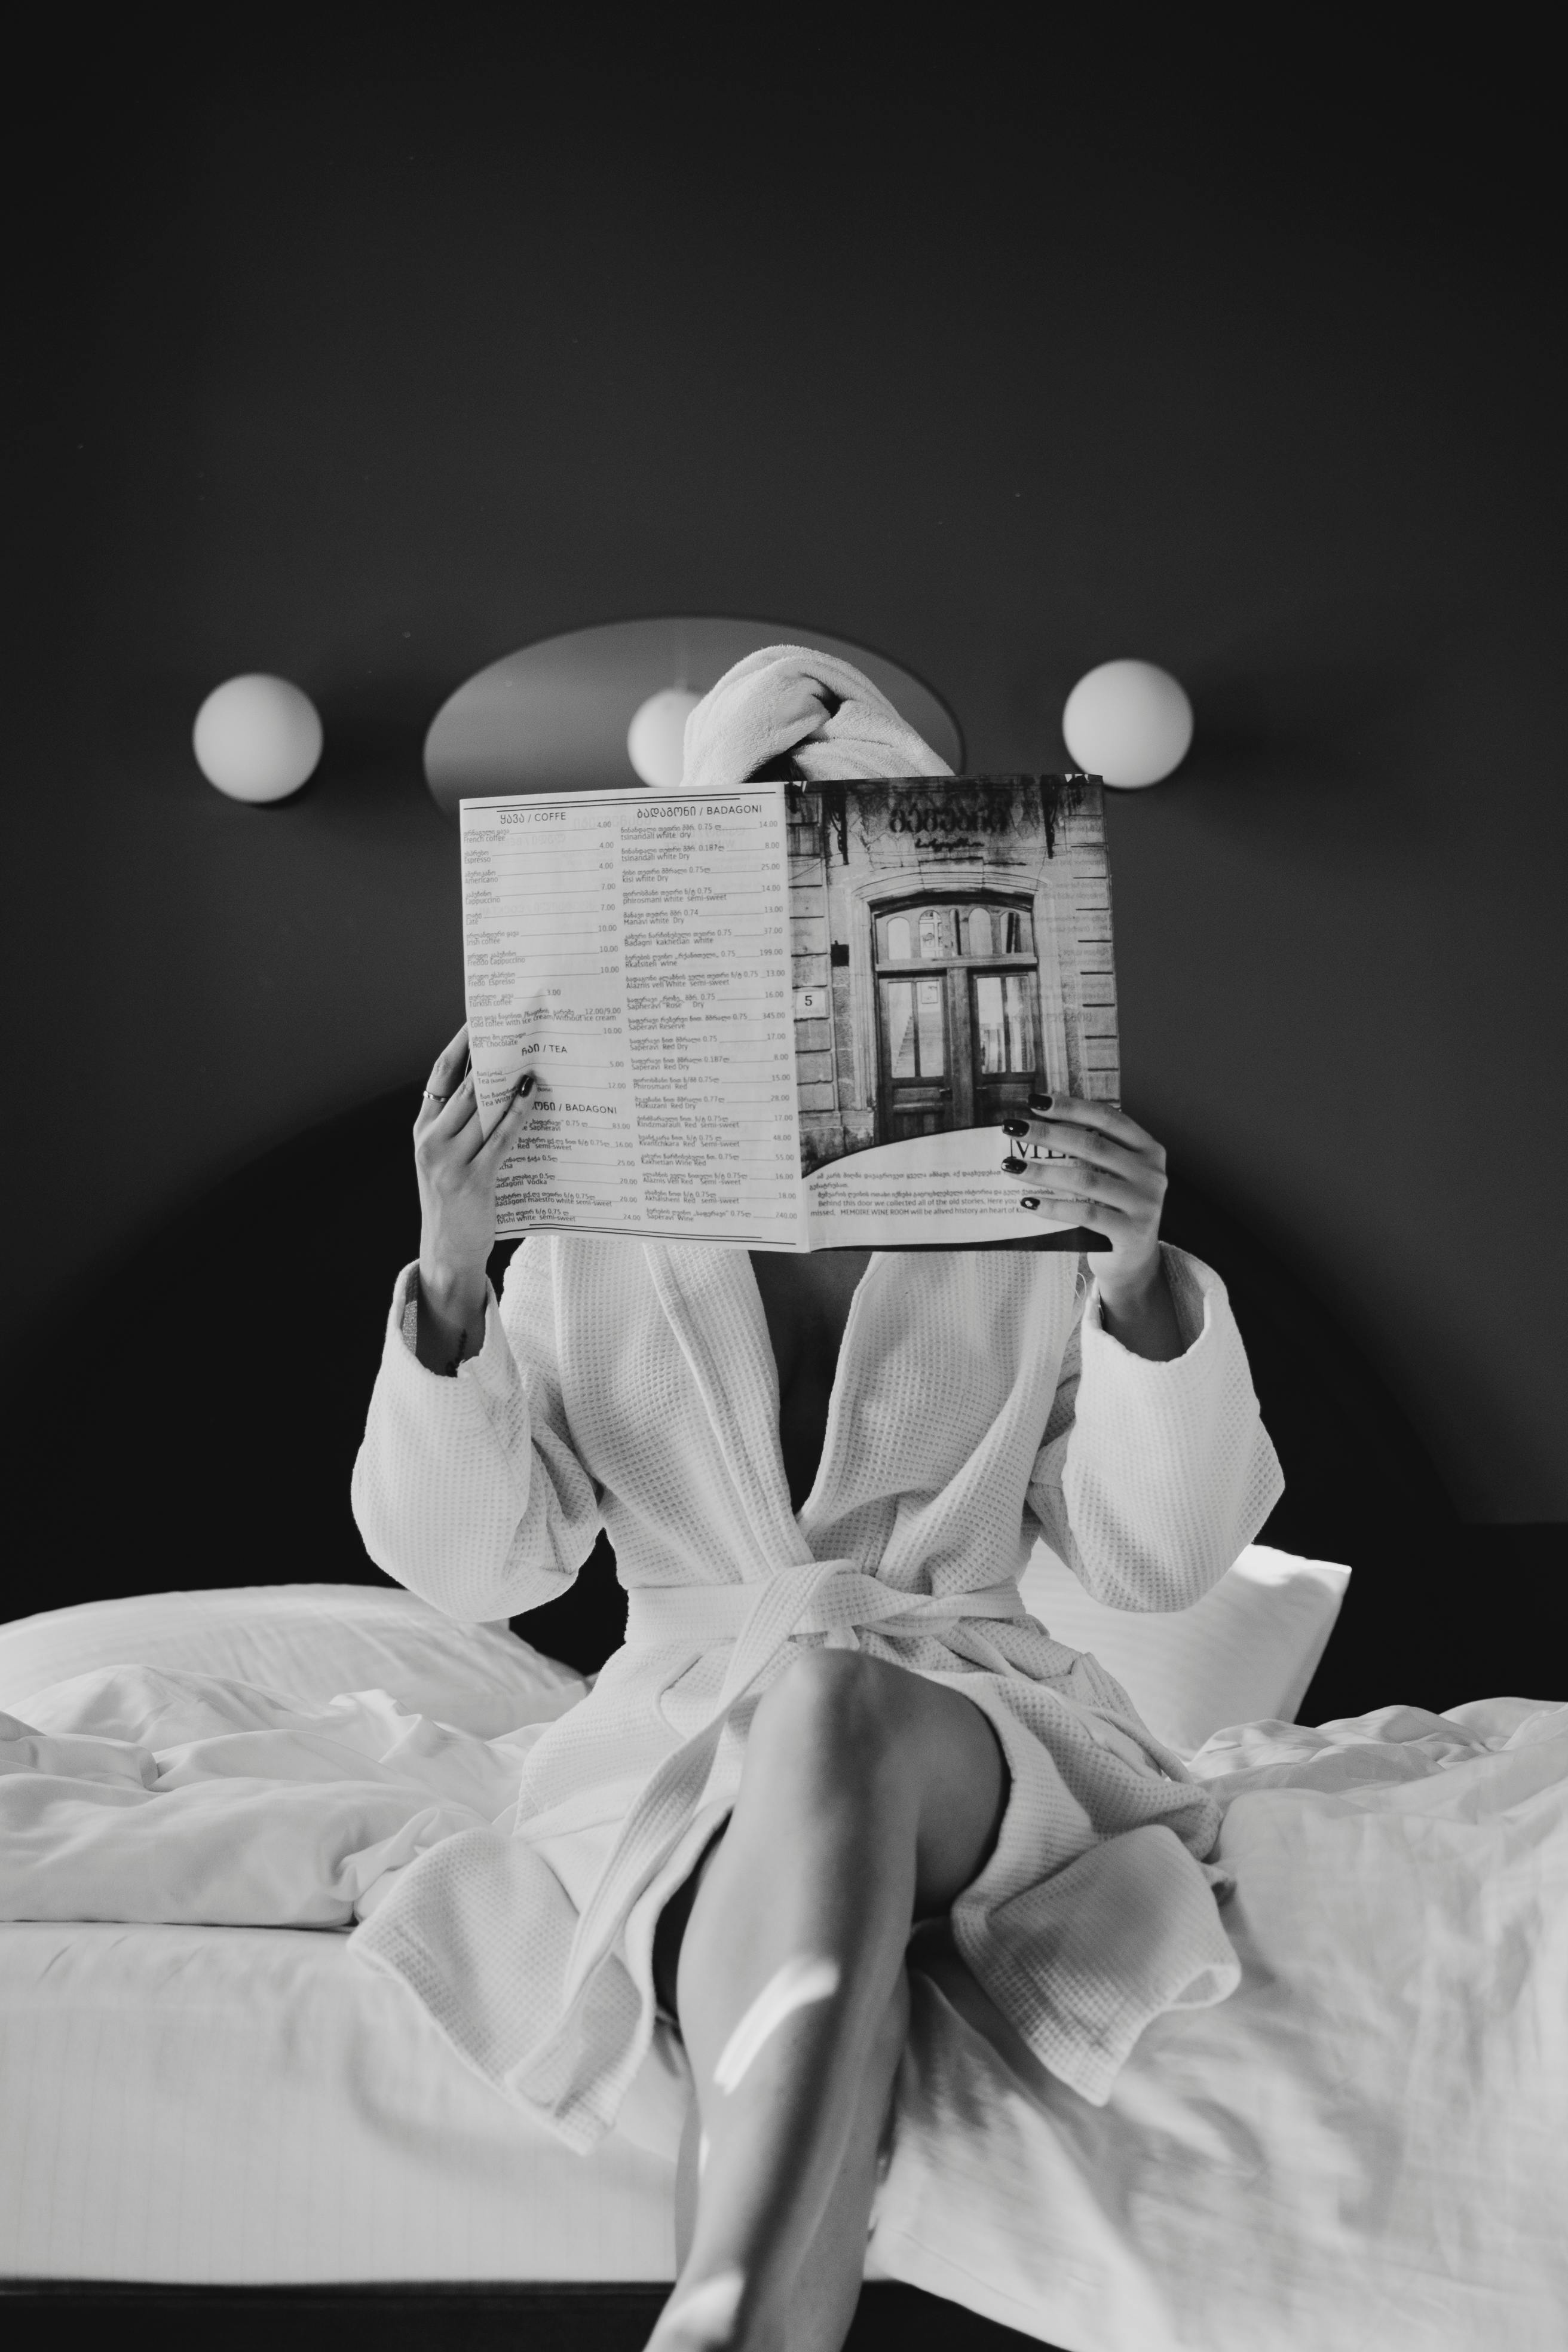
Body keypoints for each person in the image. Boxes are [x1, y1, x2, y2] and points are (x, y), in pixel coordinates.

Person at [350, 648, 1282, 2352]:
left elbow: (1156, 1567)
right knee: (783, 1782)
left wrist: (1139, 1282)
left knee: (841, 1698)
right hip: (679, 1732)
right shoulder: (585, 1213)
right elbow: (481, 1571)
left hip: (963, 1723)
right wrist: (459, 1277)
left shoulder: (1033, 1191)